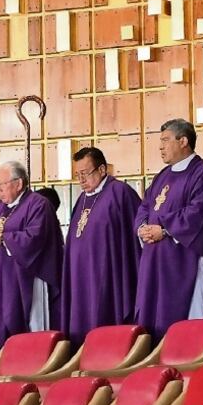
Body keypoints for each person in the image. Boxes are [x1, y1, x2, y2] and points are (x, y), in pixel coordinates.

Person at [134, 119, 203, 340]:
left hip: (185, 259)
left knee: (188, 326)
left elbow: (198, 212)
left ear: (183, 140)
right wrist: (143, 227)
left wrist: (163, 230)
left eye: (165, 140)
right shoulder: (162, 176)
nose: (161, 146)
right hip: (155, 260)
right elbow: (145, 206)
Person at [0, 161, 63, 353]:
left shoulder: (38, 205)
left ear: (19, 184)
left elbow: (35, 238)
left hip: (26, 280)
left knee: (28, 332)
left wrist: (1, 238)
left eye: (2, 185)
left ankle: (33, 367)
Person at [60, 148, 142, 346]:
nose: (81, 180)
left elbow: (133, 240)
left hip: (110, 275)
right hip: (82, 279)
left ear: (102, 169)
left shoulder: (120, 192)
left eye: (85, 173)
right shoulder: (82, 199)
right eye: (77, 175)